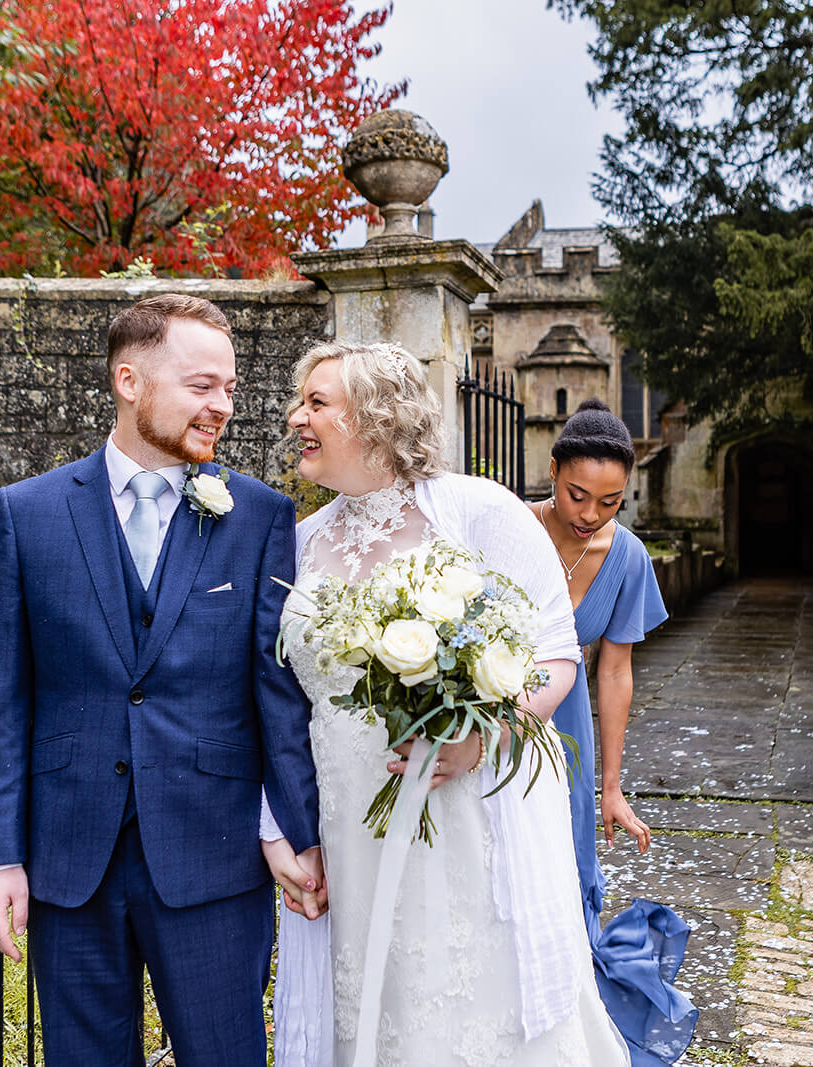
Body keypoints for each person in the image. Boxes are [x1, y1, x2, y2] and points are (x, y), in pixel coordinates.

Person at [0, 294, 323, 1065]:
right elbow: (0, 697)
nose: (222, 405)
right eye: (202, 385)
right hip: (70, 861)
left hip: (214, 854)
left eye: (228, 387)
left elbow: (277, 691)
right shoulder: (30, 513)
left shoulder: (260, 517)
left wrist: (296, 829)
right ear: (129, 380)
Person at [266, 340, 629, 1067]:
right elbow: (273, 700)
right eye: (298, 400)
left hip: (463, 817)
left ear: (375, 417)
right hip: (345, 826)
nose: (295, 416)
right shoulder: (297, 542)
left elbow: (556, 655)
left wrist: (485, 733)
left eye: (317, 402)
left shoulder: (477, 511)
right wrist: (279, 827)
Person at [529, 399, 696, 1066]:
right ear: (552, 470)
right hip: (495, 716)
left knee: (567, 875)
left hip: (567, 733)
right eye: (576, 494)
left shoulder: (626, 556)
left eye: (610, 501)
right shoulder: (510, 527)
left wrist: (611, 786)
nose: (590, 514)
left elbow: (616, 671)